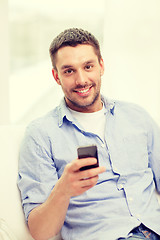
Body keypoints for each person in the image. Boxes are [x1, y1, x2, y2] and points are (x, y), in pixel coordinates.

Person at [18, 28, 160, 240]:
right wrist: (63, 189)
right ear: (56, 76)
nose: (81, 80)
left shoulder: (137, 117)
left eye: (88, 66)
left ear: (101, 66)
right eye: (69, 71)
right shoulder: (40, 135)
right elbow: (41, 232)